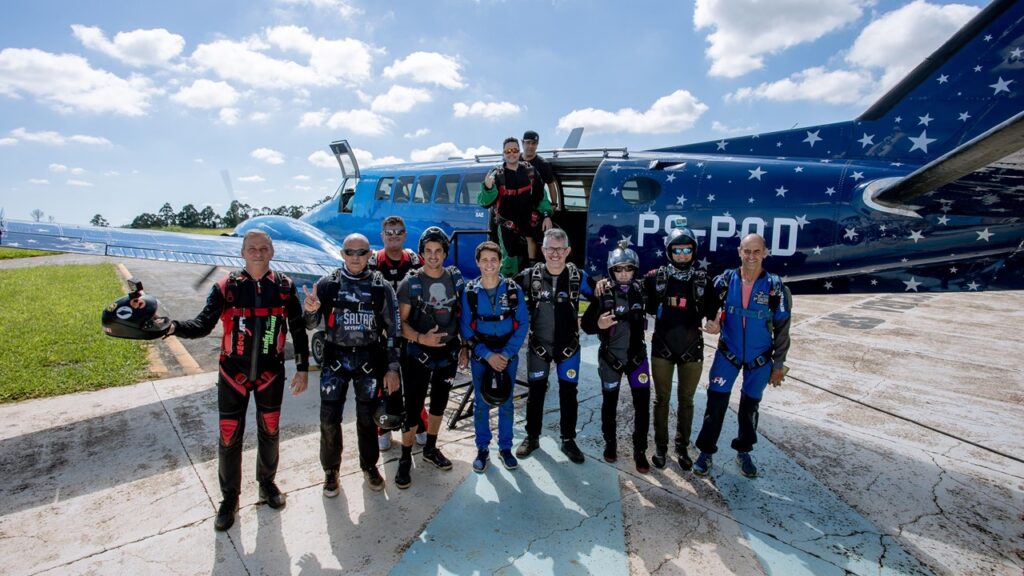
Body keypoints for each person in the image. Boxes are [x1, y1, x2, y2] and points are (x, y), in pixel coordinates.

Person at [166, 229, 309, 532]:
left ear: (272, 252)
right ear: (243, 253)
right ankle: (229, 498)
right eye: (252, 248)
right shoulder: (225, 288)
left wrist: (303, 368)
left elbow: (298, 328)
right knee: (229, 435)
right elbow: (202, 325)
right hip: (233, 375)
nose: (258, 253)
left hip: (271, 373)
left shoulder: (285, 287)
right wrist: (172, 326)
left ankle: (267, 484)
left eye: (264, 248)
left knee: (270, 430)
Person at [303, 233, 402, 494]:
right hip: (335, 360)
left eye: (361, 252)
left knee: (367, 420)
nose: (355, 257)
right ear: (342, 254)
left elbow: (393, 331)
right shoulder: (327, 285)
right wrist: (311, 310)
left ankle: (369, 466)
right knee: (328, 419)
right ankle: (331, 471)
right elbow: (310, 325)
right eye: (350, 252)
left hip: (369, 360)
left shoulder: (382, 287)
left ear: (370, 255)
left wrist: (392, 368)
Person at [693, 233, 792, 478]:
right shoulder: (724, 281)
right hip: (728, 355)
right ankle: (706, 453)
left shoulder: (775, 287)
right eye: (746, 251)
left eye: (756, 251)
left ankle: (744, 451)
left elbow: (782, 330)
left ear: (765, 253)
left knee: (749, 408)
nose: (751, 256)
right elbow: (707, 306)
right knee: (715, 405)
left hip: (759, 360)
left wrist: (779, 364)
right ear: (739, 252)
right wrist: (710, 321)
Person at [394, 227, 468, 488]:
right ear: (422, 253)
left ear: (445, 253)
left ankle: (431, 448)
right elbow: (399, 324)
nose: (433, 256)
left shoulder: (456, 281)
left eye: (438, 251)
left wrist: (465, 347)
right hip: (417, 354)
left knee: (439, 404)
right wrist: (421, 338)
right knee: (412, 407)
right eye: (428, 251)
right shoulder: (410, 283)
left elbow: (464, 315)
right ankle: (405, 457)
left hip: (447, 354)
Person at [514, 228, 593, 463]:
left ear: (568, 250)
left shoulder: (580, 277)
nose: (555, 254)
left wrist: (590, 323)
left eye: (560, 249)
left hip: (569, 348)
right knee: (535, 393)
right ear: (543, 250)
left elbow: (603, 297)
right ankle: (532, 437)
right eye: (550, 248)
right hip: (539, 346)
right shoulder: (530, 276)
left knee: (569, 394)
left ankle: (568, 440)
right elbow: (506, 293)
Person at [641, 224, 716, 471]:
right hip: (662, 347)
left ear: (694, 251)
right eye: (677, 250)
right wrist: (602, 286)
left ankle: (682, 447)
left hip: (691, 349)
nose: (682, 254)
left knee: (687, 401)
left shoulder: (704, 281)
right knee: (661, 400)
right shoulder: (655, 278)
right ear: (669, 251)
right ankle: (660, 448)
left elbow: (717, 311)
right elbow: (630, 291)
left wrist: (716, 321)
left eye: (687, 249)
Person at [582, 241, 652, 473]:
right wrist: (598, 323)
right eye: (619, 269)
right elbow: (586, 325)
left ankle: (639, 450)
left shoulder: (643, 290)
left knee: (642, 406)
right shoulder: (604, 293)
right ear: (611, 271)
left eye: (628, 269)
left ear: (635, 270)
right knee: (609, 403)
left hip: (637, 359)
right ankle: (610, 443)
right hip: (611, 358)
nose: (624, 274)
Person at [460, 241, 530, 472]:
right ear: (478, 263)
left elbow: (522, 324)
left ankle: (505, 448)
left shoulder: (512, 290)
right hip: (482, 356)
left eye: (494, 260)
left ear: (500, 262)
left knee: (506, 403)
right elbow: (467, 329)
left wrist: (507, 354)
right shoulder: (470, 292)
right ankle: (482, 448)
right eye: (485, 260)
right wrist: (487, 355)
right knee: (481, 404)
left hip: (507, 355)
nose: (489, 264)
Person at [367, 215, 429, 452]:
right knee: (386, 382)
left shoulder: (414, 260)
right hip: (382, 335)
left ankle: (418, 424)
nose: (394, 236)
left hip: (409, 332)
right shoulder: (372, 261)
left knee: (415, 382)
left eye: (398, 232)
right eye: (389, 232)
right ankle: (383, 426)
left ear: (405, 235)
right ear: (382, 236)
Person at [479, 136, 553, 276]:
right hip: (507, 224)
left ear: (519, 152)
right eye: (508, 151)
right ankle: (509, 288)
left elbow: (541, 195)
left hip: (527, 220)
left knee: (548, 241)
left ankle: (533, 276)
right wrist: (488, 188)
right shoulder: (496, 174)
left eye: (514, 150)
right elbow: (484, 202)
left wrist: (546, 215)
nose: (511, 153)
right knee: (509, 261)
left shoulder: (529, 171)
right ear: (503, 153)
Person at [520, 130, 559, 261]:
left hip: (537, 207)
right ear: (522, 143)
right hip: (518, 207)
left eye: (534, 143)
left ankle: (538, 264)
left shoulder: (543, 164)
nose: (530, 146)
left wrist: (553, 205)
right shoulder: (514, 160)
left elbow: (551, 184)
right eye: (528, 143)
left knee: (539, 236)